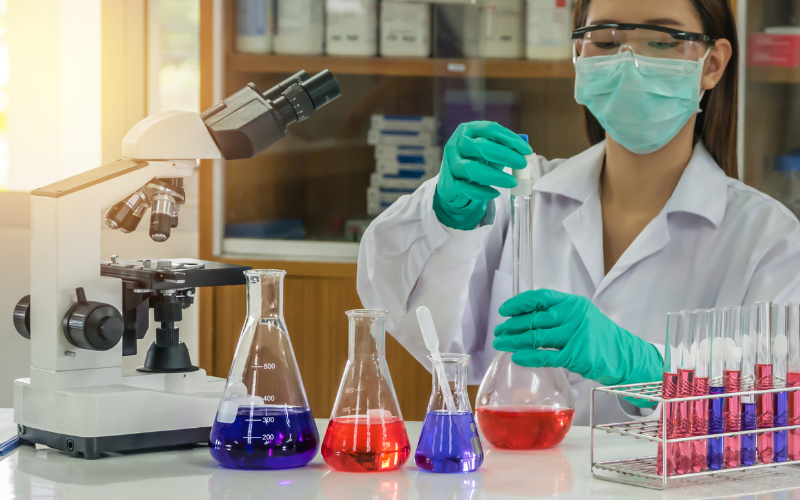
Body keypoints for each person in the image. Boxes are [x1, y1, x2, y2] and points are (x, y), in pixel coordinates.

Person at [357, 0, 800, 425]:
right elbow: (407, 314)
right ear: (578, 55)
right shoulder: (517, 196)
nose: (628, 62)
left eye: (661, 40)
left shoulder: (768, 239)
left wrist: (648, 370)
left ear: (712, 63)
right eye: (605, 42)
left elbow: (774, 412)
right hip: (519, 468)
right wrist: (445, 217)